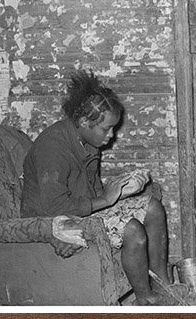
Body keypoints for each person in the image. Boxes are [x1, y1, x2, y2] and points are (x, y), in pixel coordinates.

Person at [21, 69, 172, 304]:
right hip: (51, 223)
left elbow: (90, 196)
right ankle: (146, 300)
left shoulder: (87, 141)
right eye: (106, 129)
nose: (111, 136)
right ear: (83, 122)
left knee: (152, 207)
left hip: (76, 213)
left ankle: (164, 285)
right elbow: (54, 207)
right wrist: (106, 200)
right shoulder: (52, 147)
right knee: (131, 229)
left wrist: (122, 191)